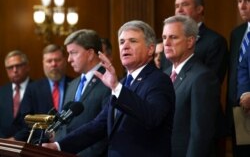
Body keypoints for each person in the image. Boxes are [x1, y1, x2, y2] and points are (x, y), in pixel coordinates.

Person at [43, 20, 175, 157]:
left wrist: (116, 87)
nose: (125, 46)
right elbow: (98, 125)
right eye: (122, 42)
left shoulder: (159, 80)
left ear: (150, 49)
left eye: (133, 41)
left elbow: (152, 117)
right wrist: (59, 146)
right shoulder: (123, 83)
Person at [163, 15, 220, 157]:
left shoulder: (202, 77)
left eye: (173, 37)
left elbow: (200, 134)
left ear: (190, 41)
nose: (166, 43)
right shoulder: (164, 75)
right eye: (164, 38)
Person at [55, 29, 111, 157]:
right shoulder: (72, 84)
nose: (69, 59)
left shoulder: (109, 81)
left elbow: (105, 129)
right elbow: (64, 125)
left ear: (90, 53)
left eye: (73, 53)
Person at [14, 44, 72, 142]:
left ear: (65, 61)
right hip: (41, 145)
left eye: (57, 60)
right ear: (43, 63)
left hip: (71, 144)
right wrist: (47, 135)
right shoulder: (33, 88)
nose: (54, 64)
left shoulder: (75, 84)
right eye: (49, 61)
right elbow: (26, 121)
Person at [174, 0, 228, 84]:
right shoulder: (169, 42)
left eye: (185, 4)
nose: (179, 10)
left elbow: (210, 82)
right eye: (177, 6)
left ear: (199, 9)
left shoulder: (215, 42)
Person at [227, 0, 250, 156]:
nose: (242, 6)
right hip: (239, 111)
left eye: (248, 1)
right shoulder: (236, 33)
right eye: (239, 1)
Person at [0, 50, 31, 139]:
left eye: (18, 66)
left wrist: (16, 138)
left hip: (29, 146)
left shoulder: (37, 89)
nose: (15, 70)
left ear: (27, 67)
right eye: (10, 67)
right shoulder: (2, 92)